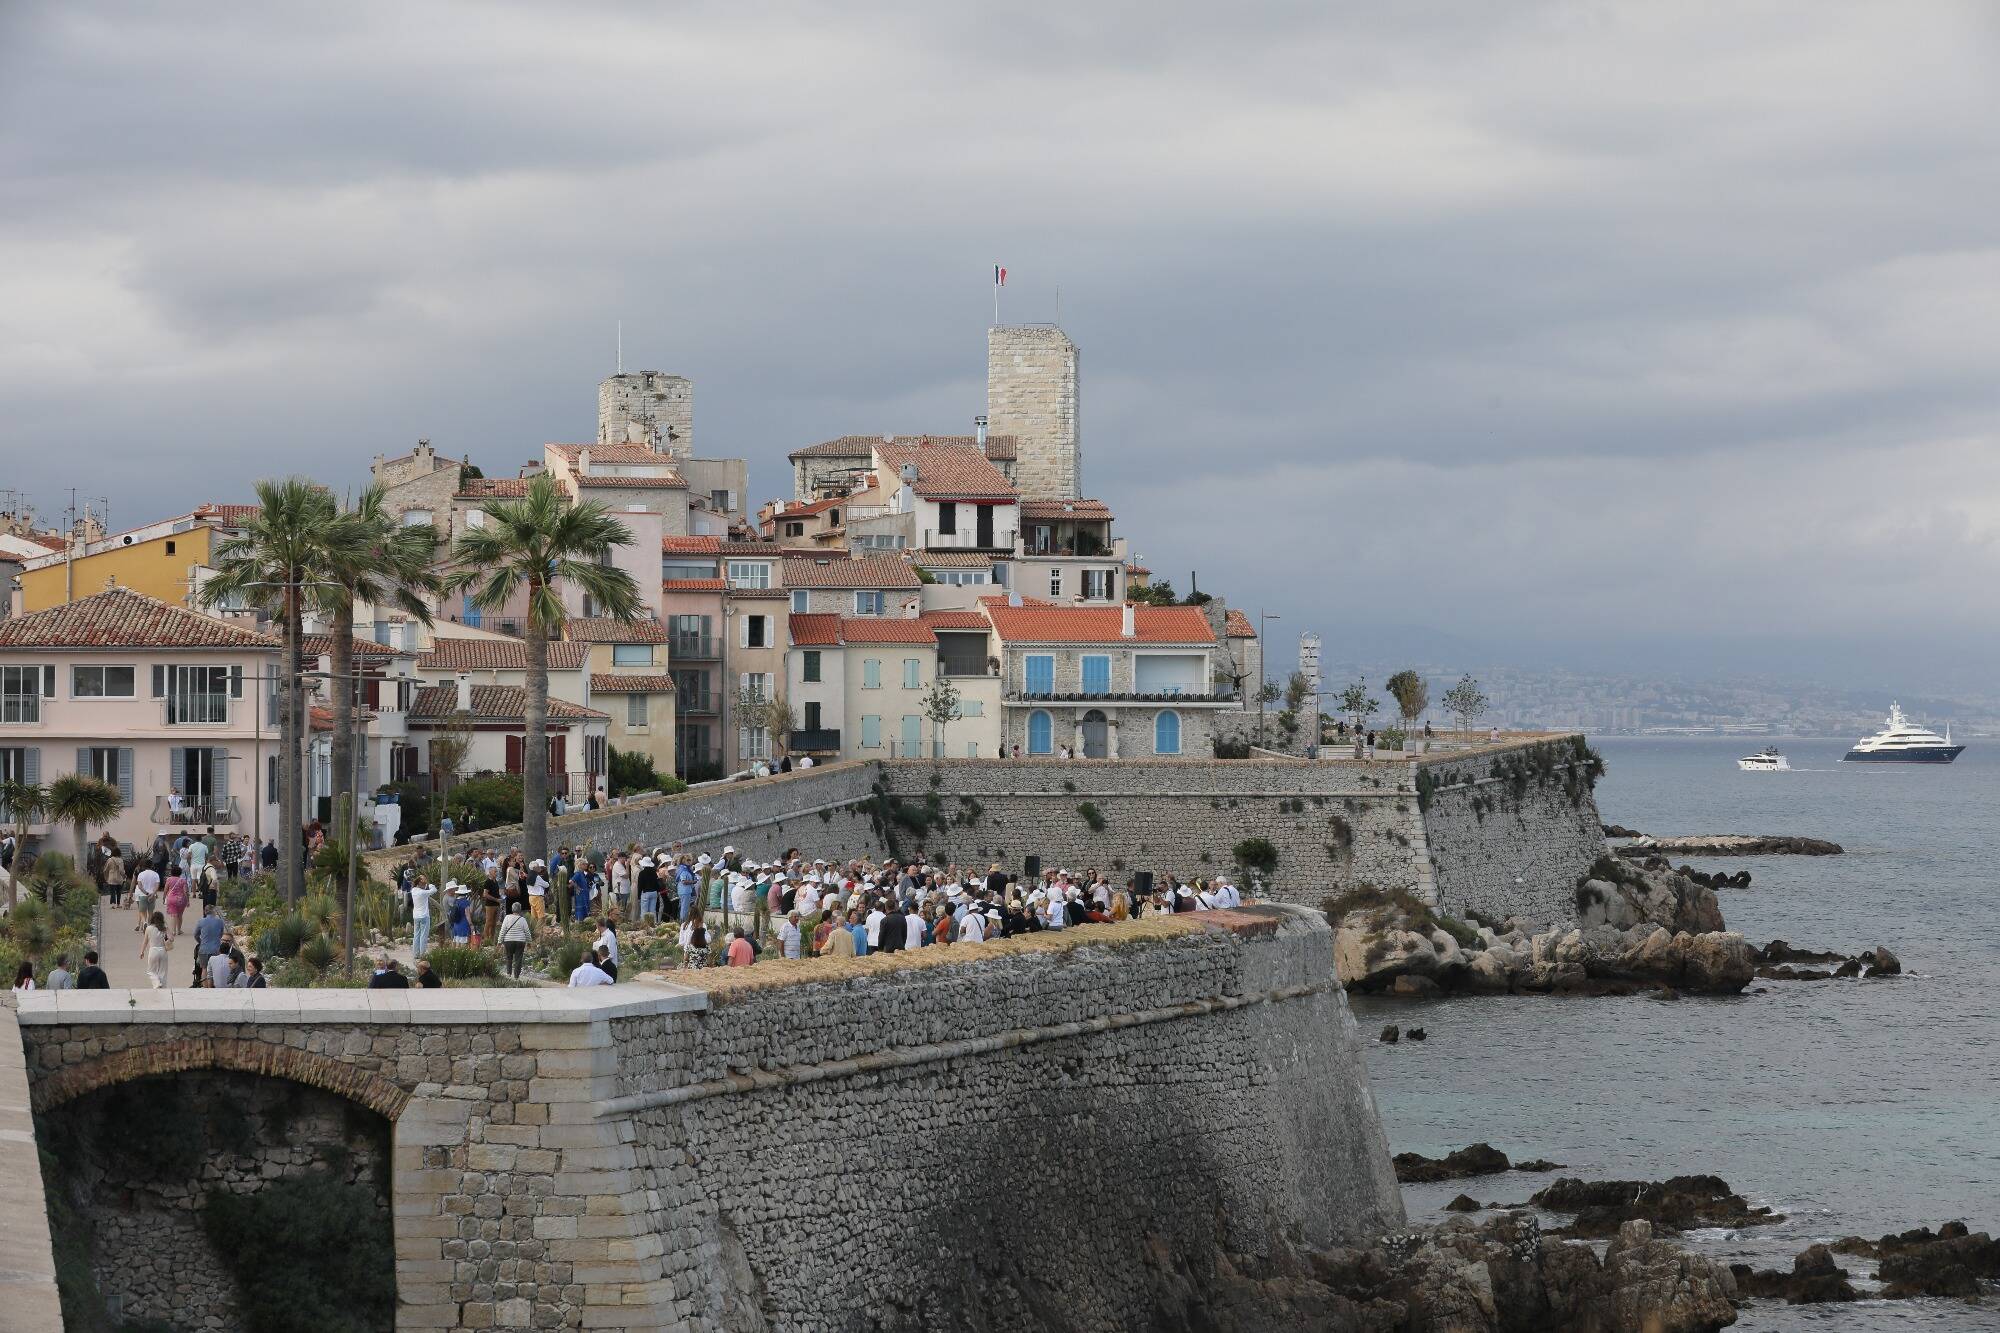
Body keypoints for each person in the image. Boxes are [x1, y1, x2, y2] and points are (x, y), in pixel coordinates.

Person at [499, 903, 532, 979]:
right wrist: (529, 942)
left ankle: (508, 974)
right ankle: (516, 976)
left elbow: (502, 931)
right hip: (520, 942)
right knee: (518, 959)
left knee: (509, 957)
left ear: (512, 909)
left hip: (508, 941)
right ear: (520, 910)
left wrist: (499, 942)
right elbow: (527, 932)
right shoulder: (523, 919)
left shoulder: (507, 918)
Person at [140, 911, 170, 988]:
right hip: (163, 951)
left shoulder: (148, 928)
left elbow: (145, 941)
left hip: (153, 951)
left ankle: (156, 983)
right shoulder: (164, 928)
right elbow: (172, 939)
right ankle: (162, 986)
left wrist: (142, 951)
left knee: (151, 971)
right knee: (163, 971)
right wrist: (167, 929)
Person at [410, 876, 437, 957]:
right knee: (423, 936)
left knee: (416, 935)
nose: (425, 885)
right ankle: (422, 954)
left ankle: (415, 954)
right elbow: (434, 890)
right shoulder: (423, 893)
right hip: (424, 916)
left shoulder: (413, 890)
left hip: (416, 916)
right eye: (424, 884)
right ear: (420, 884)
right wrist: (430, 884)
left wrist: (424, 882)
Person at [163, 868, 190, 939]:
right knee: (180, 915)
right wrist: (188, 901)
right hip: (181, 900)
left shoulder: (168, 879)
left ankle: (173, 931)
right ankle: (179, 930)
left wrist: (164, 898)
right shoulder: (183, 880)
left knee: (173, 915)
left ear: (171, 872)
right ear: (180, 873)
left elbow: (165, 890)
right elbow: (186, 892)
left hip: (171, 899)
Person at [133, 861, 160, 930]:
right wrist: (153, 894)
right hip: (152, 895)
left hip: (143, 895)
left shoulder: (141, 874)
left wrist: (146, 893)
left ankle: (144, 922)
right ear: (152, 866)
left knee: (142, 911)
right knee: (150, 912)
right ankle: (149, 926)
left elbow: (139, 886)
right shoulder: (156, 874)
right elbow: (157, 886)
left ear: (144, 866)